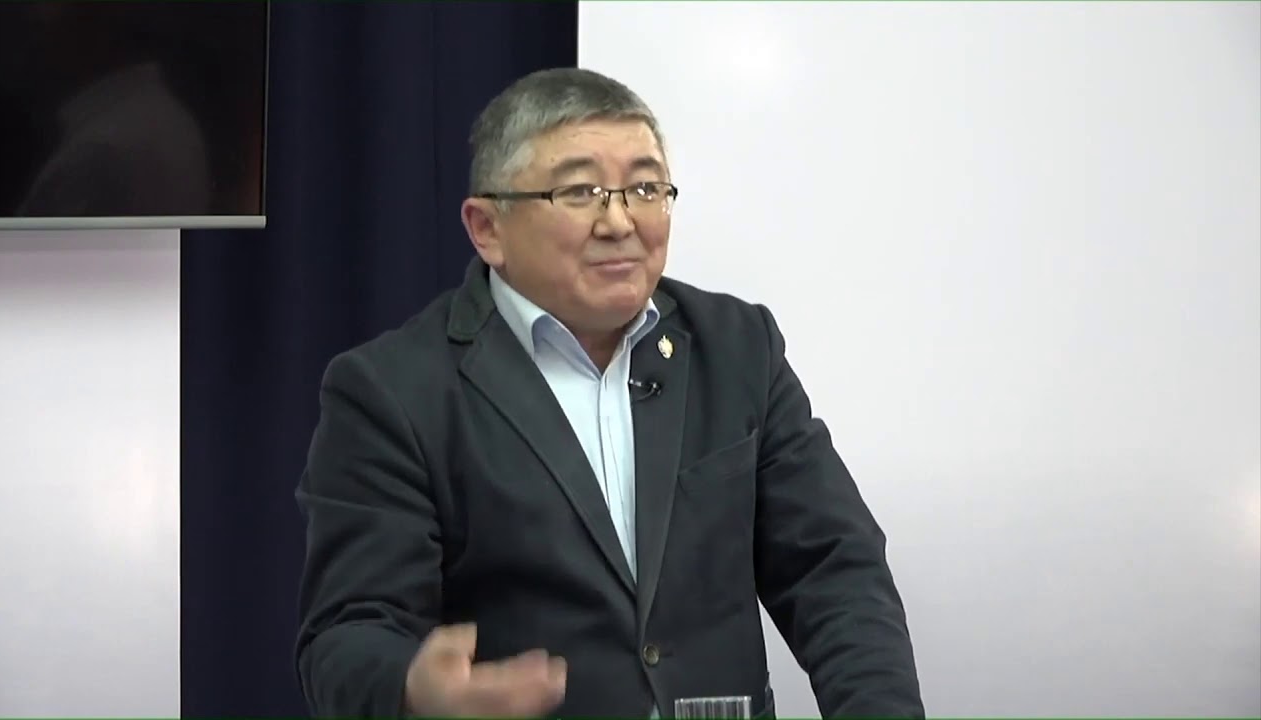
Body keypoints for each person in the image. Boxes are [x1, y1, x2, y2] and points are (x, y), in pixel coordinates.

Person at [295, 67, 924, 719]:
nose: (620, 221)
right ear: (487, 228)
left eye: (645, 188)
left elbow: (833, 569)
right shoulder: (394, 391)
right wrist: (413, 691)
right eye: (580, 192)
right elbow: (349, 633)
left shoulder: (737, 347)